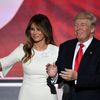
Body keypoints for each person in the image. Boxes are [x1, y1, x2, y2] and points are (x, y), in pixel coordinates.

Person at [0, 14, 59, 100]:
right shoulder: (23, 50)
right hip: (26, 96)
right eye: (32, 29)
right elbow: (3, 63)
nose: (35, 33)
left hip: (49, 96)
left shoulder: (56, 51)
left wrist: (54, 75)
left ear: (46, 30)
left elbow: (63, 77)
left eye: (39, 29)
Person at [47, 11, 100, 100]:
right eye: (76, 25)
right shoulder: (66, 47)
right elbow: (61, 73)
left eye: (82, 25)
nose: (78, 28)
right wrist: (54, 75)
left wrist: (77, 77)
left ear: (92, 29)